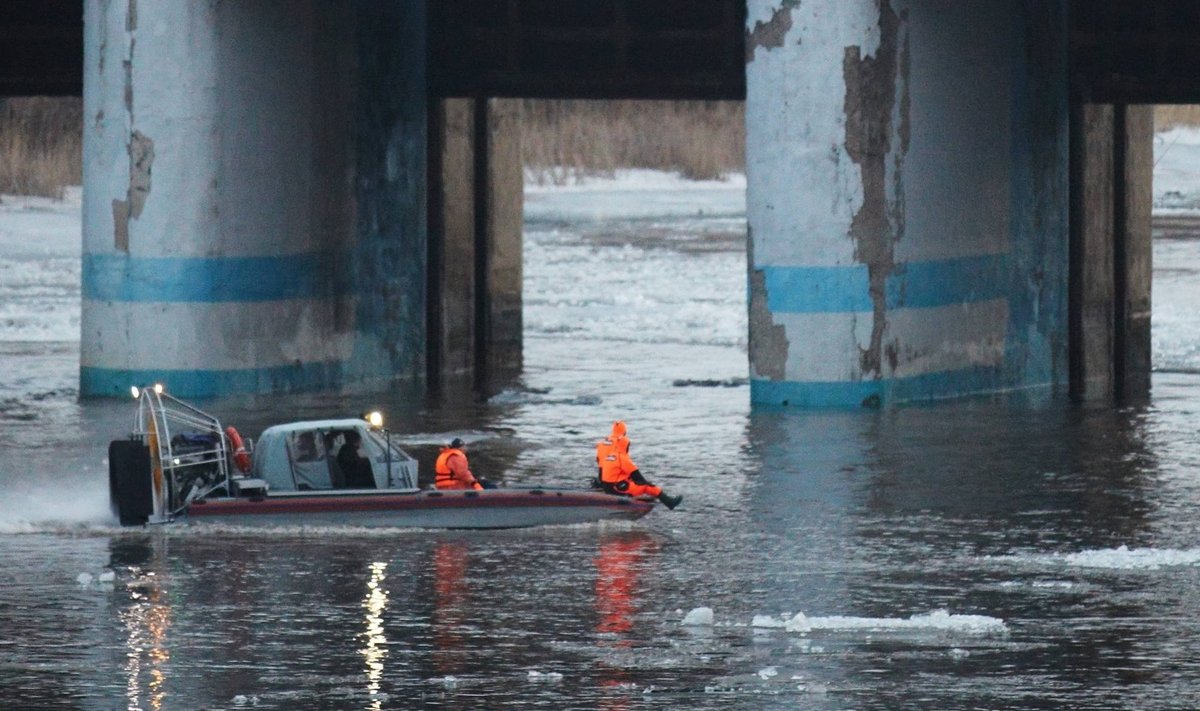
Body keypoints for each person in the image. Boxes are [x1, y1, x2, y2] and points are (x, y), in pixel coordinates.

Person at [596, 420, 682, 510]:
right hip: (617, 489)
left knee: (625, 479)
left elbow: (601, 466)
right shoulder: (623, 459)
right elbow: (639, 478)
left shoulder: (607, 452)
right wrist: (651, 489)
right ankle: (669, 502)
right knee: (647, 486)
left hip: (606, 484)